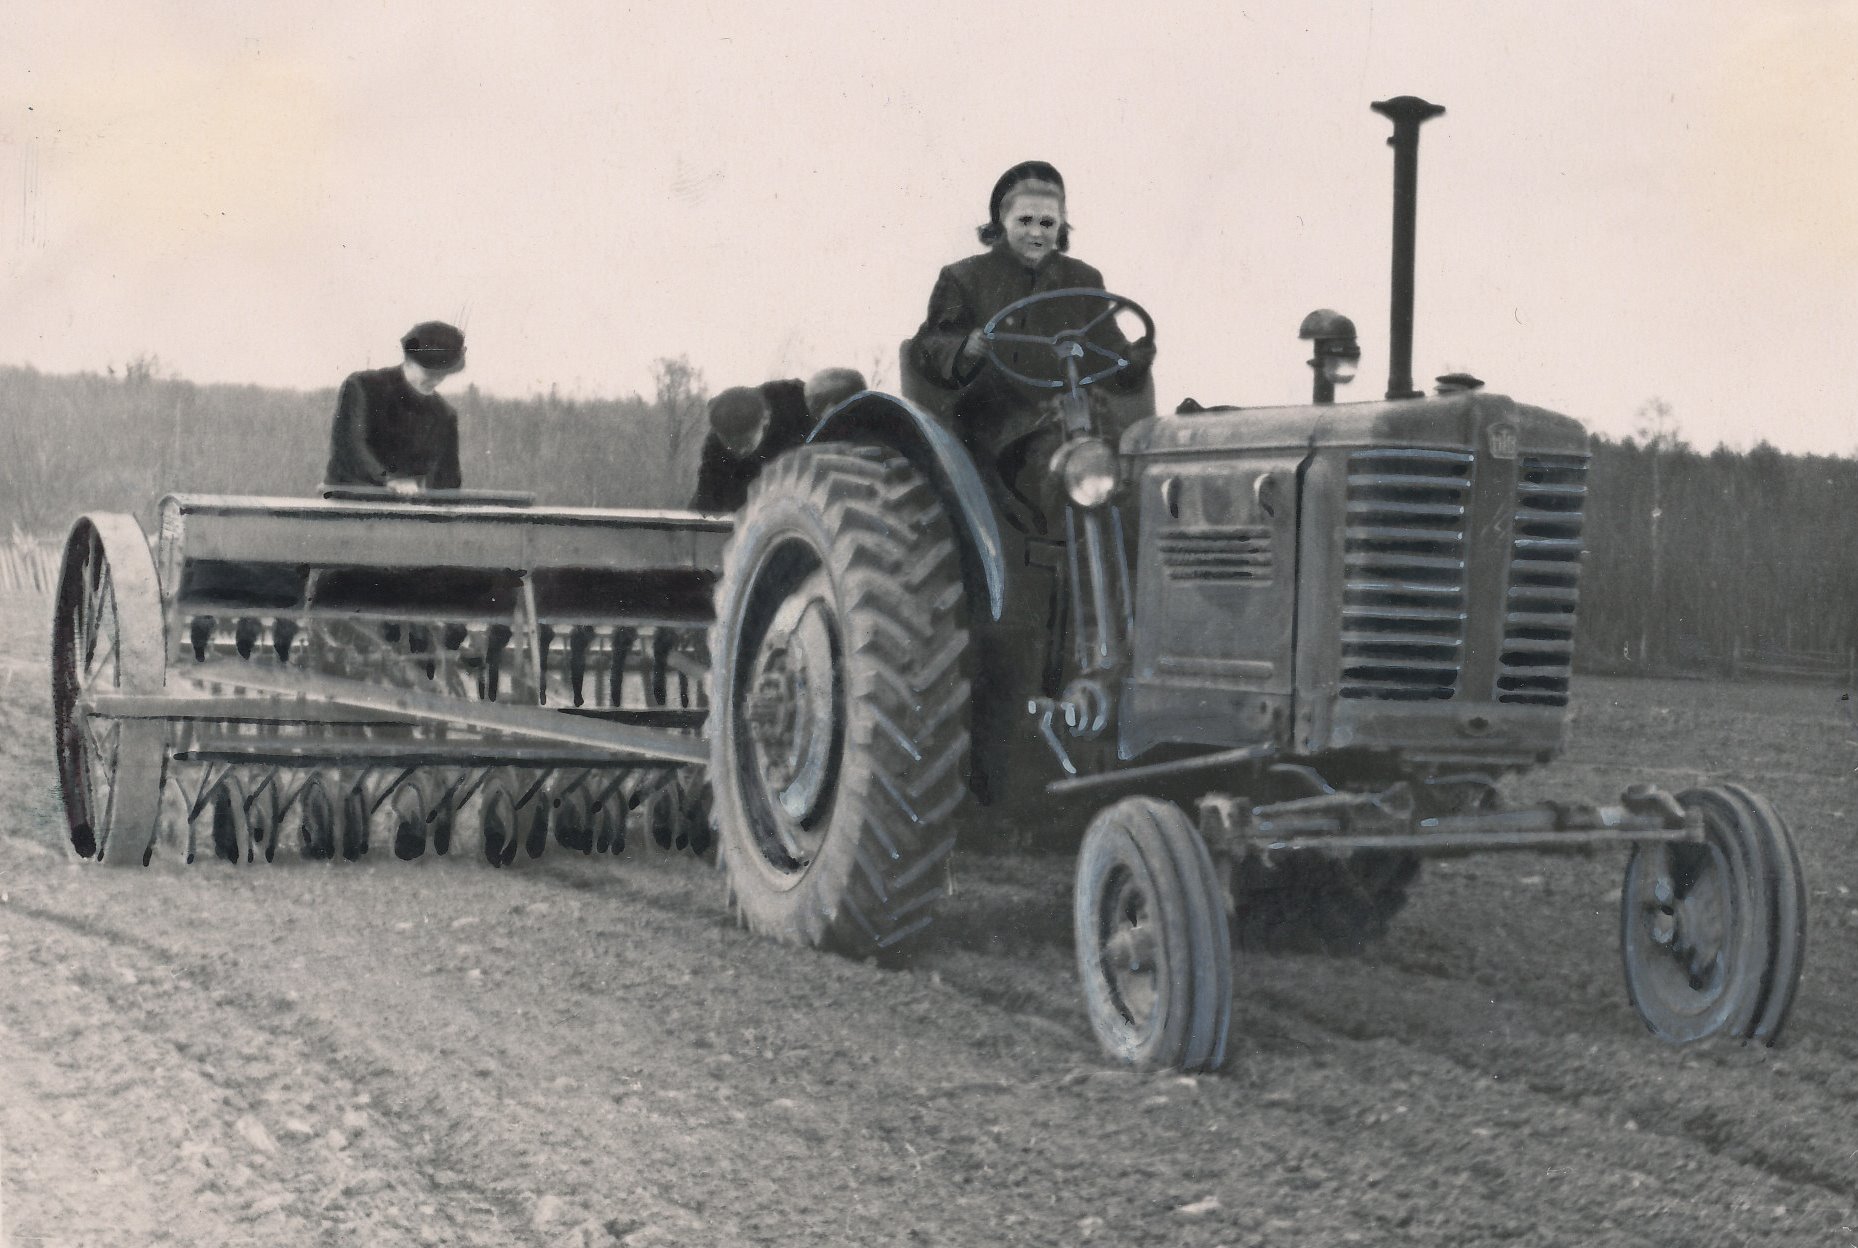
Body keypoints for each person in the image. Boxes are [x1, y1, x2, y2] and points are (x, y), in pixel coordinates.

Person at [908, 161, 1155, 517]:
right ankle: (1067, 567)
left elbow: (1108, 354)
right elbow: (929, 347)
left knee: (1138, 469)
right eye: (1025, 221)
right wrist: (964, 348)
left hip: (1080, 420)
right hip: (999, 425)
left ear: (1061, 227)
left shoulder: (1083, 278)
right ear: (1000, 223)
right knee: (1066, 470)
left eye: (1047, 223)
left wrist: (1131, 361)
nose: (1036, 232)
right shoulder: (965, 278)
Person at [689, 367, 867, 513]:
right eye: (729, 444)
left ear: (765, 420)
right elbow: (706, 500)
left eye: (744, 444)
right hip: (748, 504)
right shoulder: (716, 443)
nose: (738, 451)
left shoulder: (801, 406)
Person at [324, 320, 467, 493]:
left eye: (442, 375)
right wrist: (389, 480)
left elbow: (447, 481)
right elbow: (351, 448)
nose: (436, 381)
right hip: (348, 505)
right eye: (430, 373)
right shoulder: (363, 386)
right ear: (409, 360)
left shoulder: (444, 415)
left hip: (406, 512)